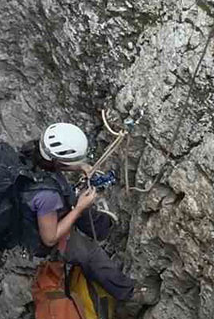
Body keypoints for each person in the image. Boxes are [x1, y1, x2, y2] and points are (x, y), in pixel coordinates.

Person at [21, 122, 135, 301]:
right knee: (91, 255)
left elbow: (52, 164)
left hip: (50, 210)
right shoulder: (47, 196)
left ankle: (104, 229)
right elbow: (50, 238)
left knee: (76, 203)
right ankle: (129, 293)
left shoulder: (33, 151)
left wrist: (78, 167)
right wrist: (80, 207)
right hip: (46, 233)